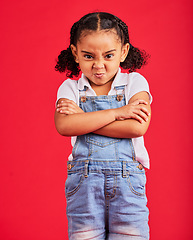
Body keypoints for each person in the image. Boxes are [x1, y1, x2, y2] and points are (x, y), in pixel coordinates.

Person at [54, 12, 152, 240]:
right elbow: (64, 126)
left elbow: (136, 128)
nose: (99, 65)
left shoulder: (134, 82)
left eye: (108, 56)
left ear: (123, 52)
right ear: (75, 53)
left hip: (128, 185)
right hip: (84, 185)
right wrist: (118, 113)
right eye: (88, 56)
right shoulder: (69, 88)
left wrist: (83, 120)